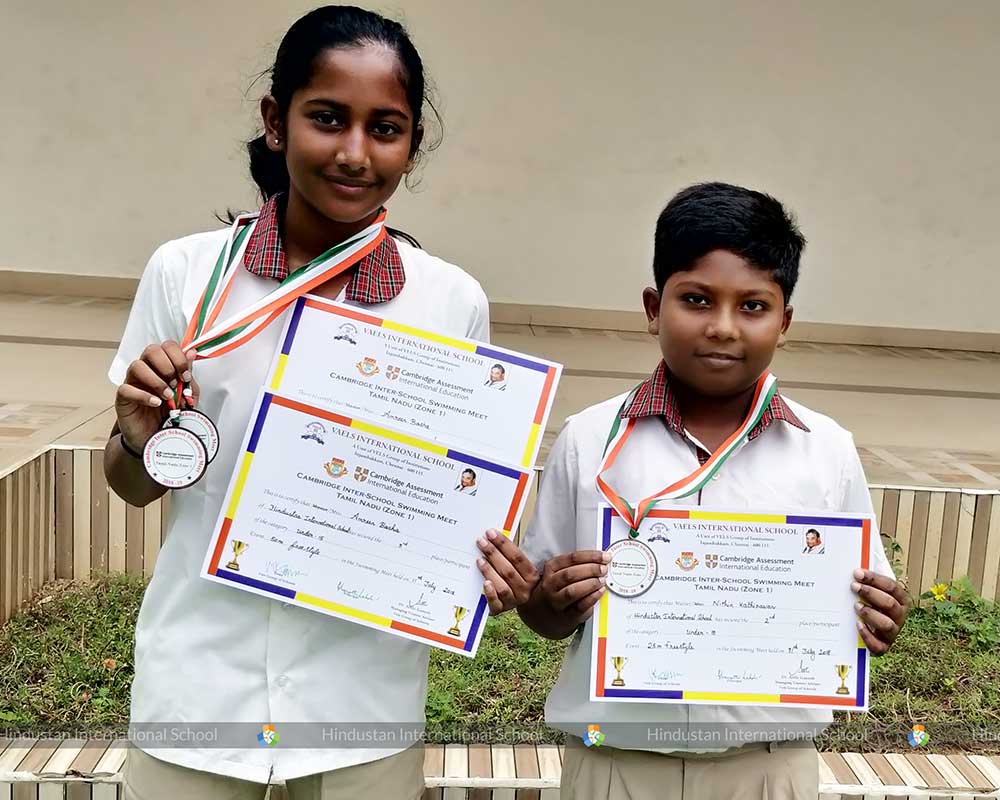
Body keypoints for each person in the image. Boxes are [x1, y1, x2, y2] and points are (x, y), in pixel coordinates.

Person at [104, 7, 538, 799]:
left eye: (385, 129)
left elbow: (454, 500)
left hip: (360, 708)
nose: (355, 153)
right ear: (277, 121)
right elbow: (134, 486)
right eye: (328, 118)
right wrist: (136, 440)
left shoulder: (449, 303)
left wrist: (486, 565)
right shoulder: (188, 277)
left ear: (412, 143)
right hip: (198, 695)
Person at [517, 183, 908, 800]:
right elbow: (541, 611)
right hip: (616, 766)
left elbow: (864, 609)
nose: (723, 328)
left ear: (784, 322)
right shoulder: (589, 440)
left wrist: (879, 618)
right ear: (654, 307)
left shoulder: (826, 450)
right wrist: (552, 600)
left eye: (752, 306)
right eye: (696, 300)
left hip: (768, 771)